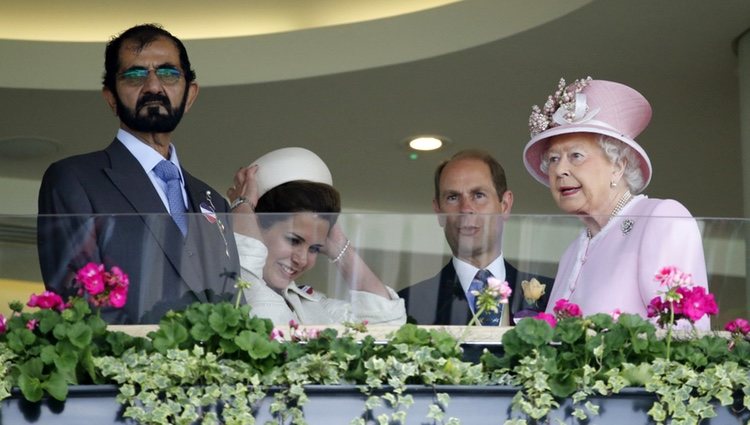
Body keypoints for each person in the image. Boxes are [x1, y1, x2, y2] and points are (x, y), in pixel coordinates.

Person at [37, 24, 240, 324]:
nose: (154, 87)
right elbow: (78, 308)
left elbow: (233, 306)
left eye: (169, 74)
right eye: (135, 75)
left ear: (190, 94)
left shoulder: (213, 201)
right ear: (111, 97)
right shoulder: (74, 180)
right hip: (124, 367)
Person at [522, 77, 709, 328]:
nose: (560, 170)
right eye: (554, 159)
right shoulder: (573, 251)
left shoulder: (660, 218)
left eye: (576, 156)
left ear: (618, 167)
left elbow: (682, 333)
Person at [227, 147, 406, 325]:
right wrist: (243, 208)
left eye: (314, 248)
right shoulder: (218, 291)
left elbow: (387, 322)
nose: (302, 259)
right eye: (293, 240)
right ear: (255, 225)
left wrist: (339, 246)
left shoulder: (313, 306)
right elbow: (264, 314)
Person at [398, 150, 554, 326]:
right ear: (438, 211)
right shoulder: (406, 305)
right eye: (452, 197)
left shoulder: (555, 295)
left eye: (478, 195)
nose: (465, 208)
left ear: (505, 205)